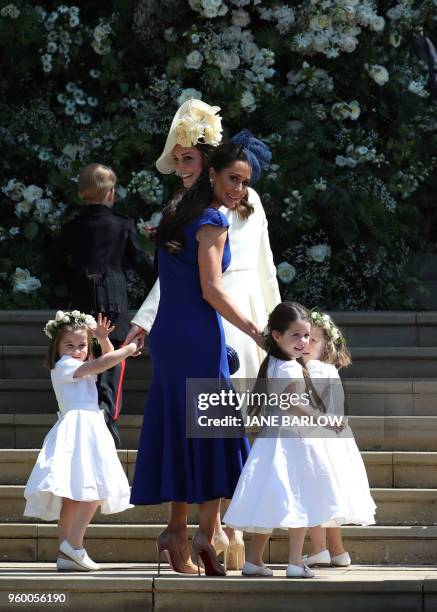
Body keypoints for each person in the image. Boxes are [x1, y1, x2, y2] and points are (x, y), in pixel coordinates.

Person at [125, 99, 280, 570]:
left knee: (183, 428)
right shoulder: (211, 220)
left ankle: (180, 532)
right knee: (215, 431)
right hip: (200, 333)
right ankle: (203, 536)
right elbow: (212, 290)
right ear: (213, 173)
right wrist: (258, 332)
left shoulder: (176, 211)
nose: (239, 189)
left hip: (173, 335)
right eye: (233, 179)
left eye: (245, 182)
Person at [223, 302, 365, 578]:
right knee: (299, 499)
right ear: (276, 336)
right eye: (296, 336)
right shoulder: (289, 367)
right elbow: (292, 404)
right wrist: (325, 419)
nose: (303, 342)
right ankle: (295, 562)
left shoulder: (275, 361)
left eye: (307, 336)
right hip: (295, 441)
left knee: (271, 498)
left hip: (271, 441)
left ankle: (253, 560)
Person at [48, 163, 156, 446]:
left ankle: (90, 417)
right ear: (110, 193)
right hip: (114, 302)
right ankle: (107, 417)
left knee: (83, 358)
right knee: (112, 362)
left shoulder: (71, 228)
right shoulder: (122, 225)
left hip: (82, 301)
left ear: (82, 194)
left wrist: (71, 280)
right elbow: (142, 265)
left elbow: (53, 264)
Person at [23, 311, 138, 572]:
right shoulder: (64, 366)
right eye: (70, 345)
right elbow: (102, 365)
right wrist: (128, 348)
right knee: (96, 488)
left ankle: (66, 554)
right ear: (58, 347)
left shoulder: (80, 364)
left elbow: (107, 363)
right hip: (79, 428)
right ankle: (73, 545)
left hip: (88, 426)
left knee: (74, 498)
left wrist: (102, 339)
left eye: (82, 345)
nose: (76, 351)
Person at [302, 310, 376, 568]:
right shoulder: (329, 370)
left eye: (313, 340)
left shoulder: (310, 369)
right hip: (337, 441)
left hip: (316, 439)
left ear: (325, 347)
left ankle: (319, 548)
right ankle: (338, 550)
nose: (306, 343)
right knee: (330, 496)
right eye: (303, 337)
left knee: (316, 494)